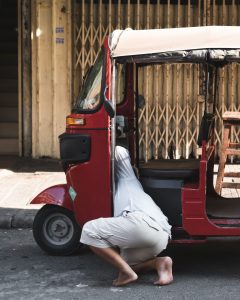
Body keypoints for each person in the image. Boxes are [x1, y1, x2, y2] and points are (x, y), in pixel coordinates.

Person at [80, 146, 173, 286]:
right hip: (161, 237)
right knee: (124, 262)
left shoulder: (126, 178)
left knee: (89, 230)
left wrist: (104, 149)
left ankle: (127, 273)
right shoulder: (117, 184)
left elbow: (118, 151)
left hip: (141, 223)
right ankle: (159, 263)